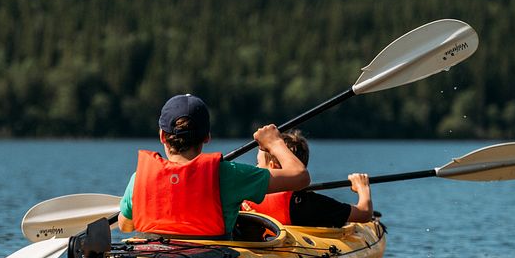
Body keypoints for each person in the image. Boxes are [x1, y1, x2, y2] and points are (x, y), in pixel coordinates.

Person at [117, 94, 310, 238]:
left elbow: (125, 226)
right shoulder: (229, 174)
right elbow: (300, 177)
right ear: (207, 137)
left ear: (162, 136)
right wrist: (274, 143)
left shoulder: (140, 179)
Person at [243, 130, 373, 227]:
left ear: (273, 166)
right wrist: (363, 188)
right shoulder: (309, 203)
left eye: (258, 163)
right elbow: (364, 213)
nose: (256, 167)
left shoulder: (244, 195)